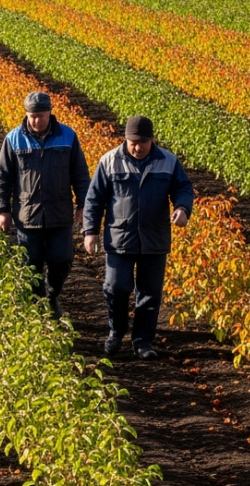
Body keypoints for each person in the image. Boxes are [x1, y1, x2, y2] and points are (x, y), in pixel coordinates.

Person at [83, 115, 194, 360]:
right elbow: (94, 199)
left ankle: (143, 341)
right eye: (133, 142)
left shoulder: (168, 161)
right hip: (119, 238)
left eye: (143, 142)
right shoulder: (109, 161)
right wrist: (90, 231)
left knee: (150, 293)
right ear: (126, 139)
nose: (137, 147)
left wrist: (183, 208)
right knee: (116, 287)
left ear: (151, 140)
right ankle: (116, 331)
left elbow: (183, 188)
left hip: (154, 238)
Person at [0, 91, 90, 318]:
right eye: (32, 116)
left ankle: (52, 293)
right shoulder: (14, 139)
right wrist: (2, 210)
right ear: (26, 115)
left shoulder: (67, 137)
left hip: (60, 213)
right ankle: (39, 307)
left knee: (62, 259)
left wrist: (83, 205)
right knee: (31, 263)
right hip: (27, 215)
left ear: (50, 113)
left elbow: (80, 174)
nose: (36, 121)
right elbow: (2, 178)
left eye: (41, 116)